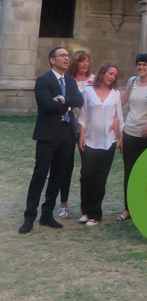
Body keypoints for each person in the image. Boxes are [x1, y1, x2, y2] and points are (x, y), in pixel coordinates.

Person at [19, 47, 84, 234]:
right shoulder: (43, 81)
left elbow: (79, 100)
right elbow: (46, 104)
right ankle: (29, 216)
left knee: (58, 175)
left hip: (67, 134)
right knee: (40, 174)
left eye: (67, 56)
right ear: (52, 60)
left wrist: (63, 101)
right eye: (62, 56)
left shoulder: (70, 81)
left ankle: (47, 215)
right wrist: (68, 106)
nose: (66, 58)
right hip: (48, 134)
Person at [78, 62, 124, 227]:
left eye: (115, 75)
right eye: (110, 73)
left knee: (100, 178)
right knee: (86, 175)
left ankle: (95, 214)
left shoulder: (116, 94)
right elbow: (83, 116)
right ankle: (85, 211)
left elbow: (119, 116)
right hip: (90, 140)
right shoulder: (88, 92)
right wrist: (81, 136)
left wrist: (120, 138)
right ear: (102, 73)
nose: (112, 77)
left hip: (108, 141)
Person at [119, 53, 147, 221]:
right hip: (130, 131)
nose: (141, 68)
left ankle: (144, 206)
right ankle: (128, 208)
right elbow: (122, 100)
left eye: (145, 65)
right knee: (130, 170)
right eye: (139, 64)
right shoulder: (132, 81)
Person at [58, 49, 93, 219]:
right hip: (70, 127)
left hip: (87, 129)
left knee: (87, 168)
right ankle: (63, 204)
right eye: (81, 61)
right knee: (65, 165)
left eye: (87, 61)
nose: (85, 64)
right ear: (75, 63)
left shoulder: (94, 81)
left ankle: (86, 207)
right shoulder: (68, 81)